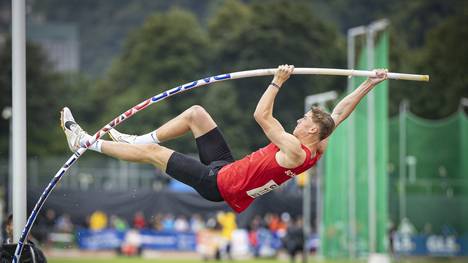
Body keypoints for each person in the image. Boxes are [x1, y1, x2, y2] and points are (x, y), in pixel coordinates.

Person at [61, 65, 388, 213]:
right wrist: (370, 83)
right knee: (196, 114)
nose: (300, 120)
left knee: (154, 154)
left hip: (218, 185)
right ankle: (137, 138)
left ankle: (85, 143)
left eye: (305, 120)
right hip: (228, 170)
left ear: (313, 130)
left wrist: (277, 81)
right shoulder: (319, 144)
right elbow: (341, 112)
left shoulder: (296, 149)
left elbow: (261, 116)